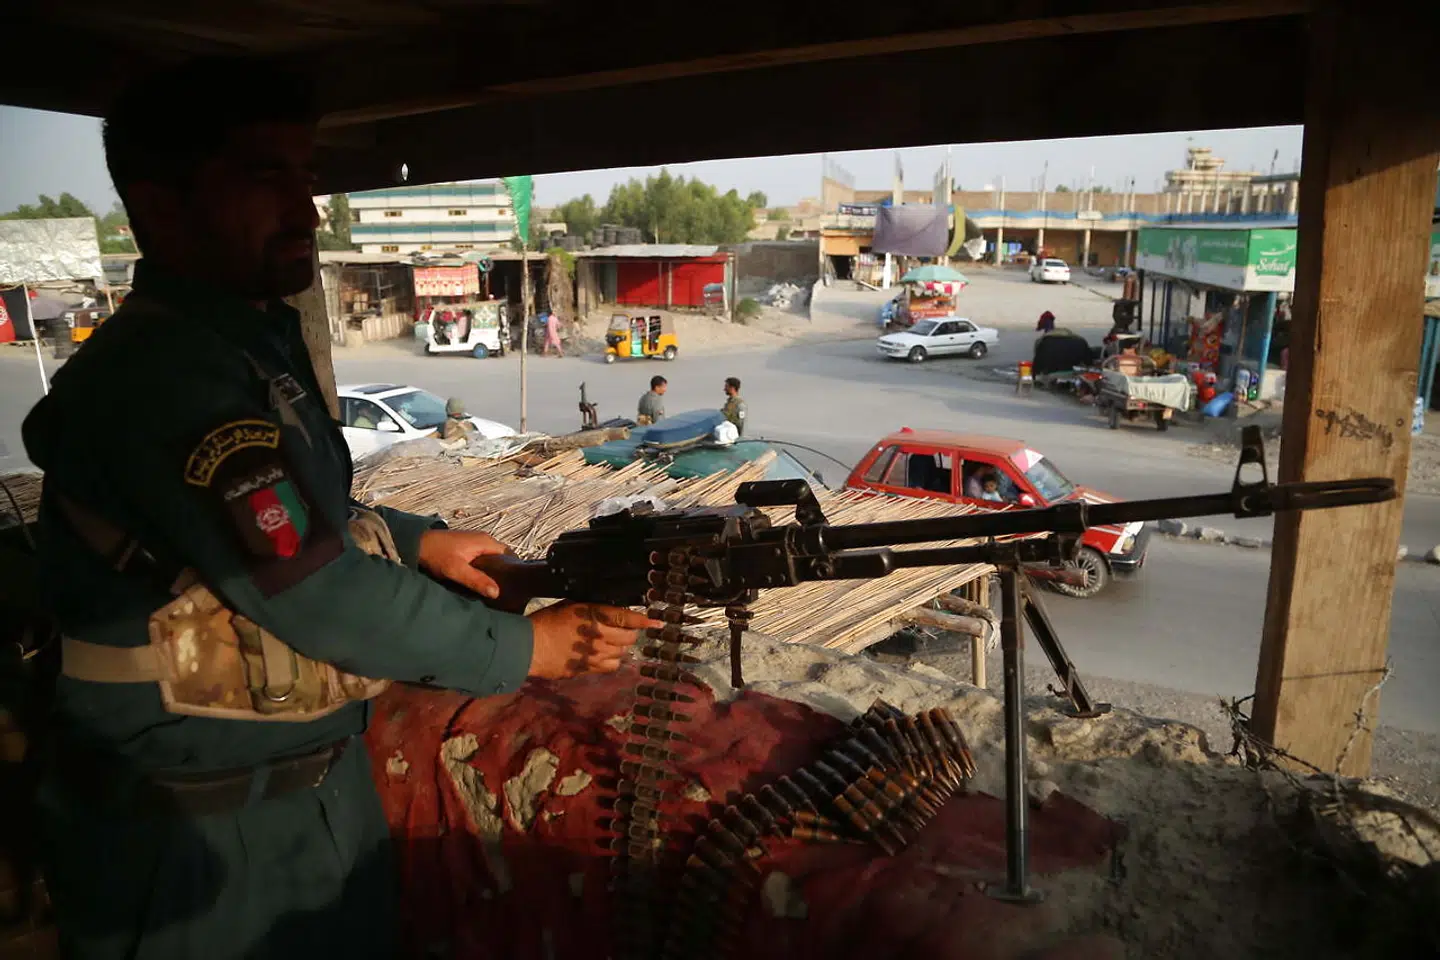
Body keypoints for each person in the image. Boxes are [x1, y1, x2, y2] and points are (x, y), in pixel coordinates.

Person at [20, 57, 651, 960]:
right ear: (162, 207)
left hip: (309, 795)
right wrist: (529, 649)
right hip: (196, 842)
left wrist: (420, 539)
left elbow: (301, 513)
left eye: (306, 177)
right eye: (263, 176)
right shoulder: (166, 380)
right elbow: (314, 589)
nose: (306, 211)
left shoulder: (243, 347)